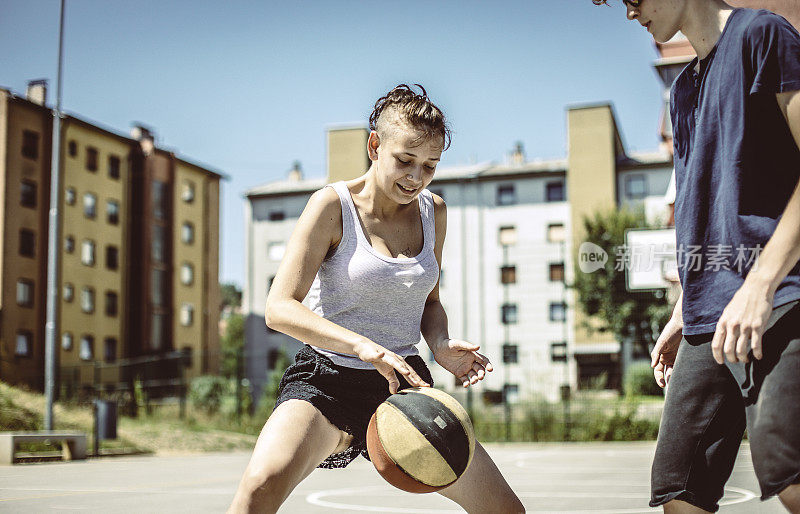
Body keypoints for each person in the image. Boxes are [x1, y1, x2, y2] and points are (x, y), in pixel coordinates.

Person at [227, 84, 524, 514]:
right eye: (405, 160)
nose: (416, 177)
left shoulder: (433, 212)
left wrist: (440, 344)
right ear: (375, 145)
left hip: (404, 387)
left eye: (430, 166)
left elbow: (429, 300)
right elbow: (279, 308)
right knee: (260, 485)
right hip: (327, 379)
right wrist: (364, 347)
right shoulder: (332, 206)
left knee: (504, 510)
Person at [595, 0, 800, 512]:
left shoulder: (763, 36)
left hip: (782, 295)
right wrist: (684, 307)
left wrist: (760, 286)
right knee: (678, 488)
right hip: (709, 315)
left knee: (788, 470)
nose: (629, 13)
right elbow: (702, 212)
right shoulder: (683, 91)